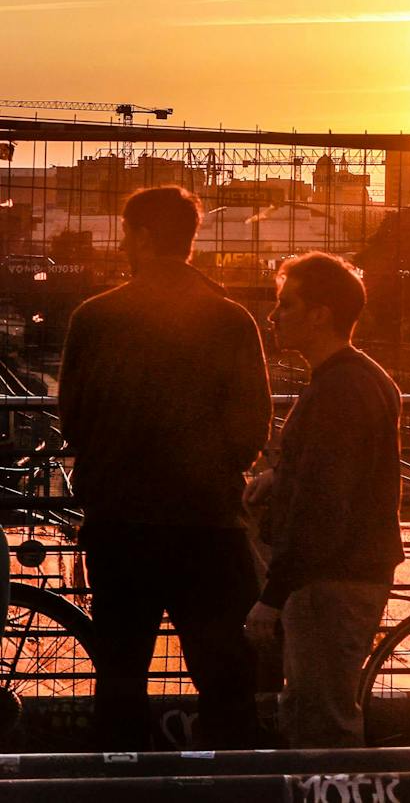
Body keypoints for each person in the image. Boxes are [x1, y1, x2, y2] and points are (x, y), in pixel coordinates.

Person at [57, 185, 273, 749]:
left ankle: (119, 779)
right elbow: (253, 426)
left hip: (121, 526)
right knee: (225, 678)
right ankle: (232, 783)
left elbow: (73, 420)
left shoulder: (95, 319)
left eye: (128, 231)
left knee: (122, 676)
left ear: (144, 236)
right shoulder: (230, 320)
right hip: (207, 526)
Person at [243, 252, 403, 748]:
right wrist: (282, 474)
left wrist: (273, 596)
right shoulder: (365, 378)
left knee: (319, 719)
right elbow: (338, 475)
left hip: (328, 583)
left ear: (321, 314)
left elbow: (323, 507)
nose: (273, 316)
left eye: (285, 305)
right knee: (320, 709)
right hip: (351, 573)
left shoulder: (335, 393)